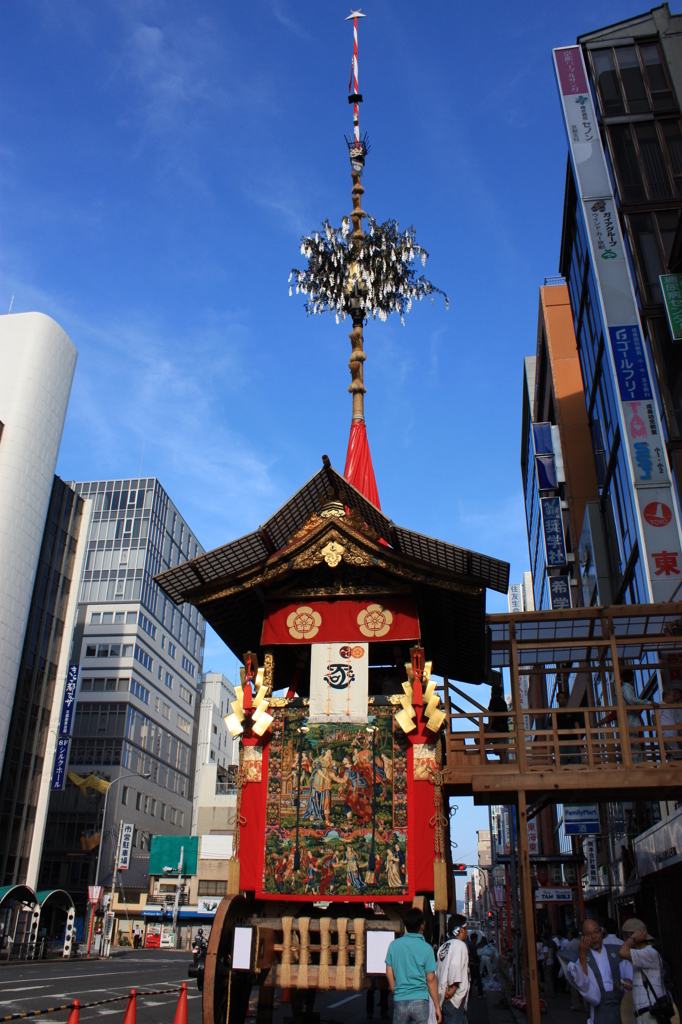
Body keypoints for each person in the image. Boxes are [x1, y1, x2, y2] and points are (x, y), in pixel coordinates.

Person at [385, 907, 442, 1024]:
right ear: (422, 925)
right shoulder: (427, 948)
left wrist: (394, 990)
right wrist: (437, 1006)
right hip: (420, 1001)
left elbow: (389, 972)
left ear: (406, 925)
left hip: (399, 1000)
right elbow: (431, 979)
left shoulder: (393, 945)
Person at [564, 919, 626, 1024]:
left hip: (620, 1005)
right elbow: (584, 983)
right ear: (582, 937)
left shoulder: (617, 951)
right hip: (599, 1007)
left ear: (602, 932)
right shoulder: (582, 957)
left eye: (596, 932)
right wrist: (583, 955)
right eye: (588, 934)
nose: (593, 937)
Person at [618, 920, 670, 1024]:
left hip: (650, 1013)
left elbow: (622, 952)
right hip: (644, 1013)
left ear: (628, 934)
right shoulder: (644, 954)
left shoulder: (649, 953)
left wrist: (632, 939)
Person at [436, 915, 470, 1024]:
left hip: (443, 996)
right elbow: (455, 965)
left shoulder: (443, 946)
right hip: (454, 998)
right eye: (465, 928)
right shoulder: (460, 945)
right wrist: (453, 986)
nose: (467, 931)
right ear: (459, 930)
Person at [619, 670, 652, 763]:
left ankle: (638, 765)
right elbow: (631, 700)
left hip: (632, 722)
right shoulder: (626, 688)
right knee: (633, 747)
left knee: (636, 746)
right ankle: (635, 766)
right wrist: (647, 702)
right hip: (631, 722)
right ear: (633, 678)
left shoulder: (626, 688)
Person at [556, 691, 585, 765]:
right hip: (560, 742)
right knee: (561, 764)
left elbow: (577, 725)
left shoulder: (572, 712)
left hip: (573, 740)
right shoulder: (554, 714)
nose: (562, 700)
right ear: (557, 700)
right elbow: (552, 729)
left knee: (576, 763)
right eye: (560, 698)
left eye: (564, 698)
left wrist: (579, 740)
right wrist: (552, 743)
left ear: (566, 699)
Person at [486, 682, 509, 763]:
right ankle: (505, 767)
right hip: (504, 730)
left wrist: (488, 727)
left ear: (492, 692)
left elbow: (491, 715)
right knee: (501, 751)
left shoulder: (493, 700)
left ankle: (485, 762)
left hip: (495, 730)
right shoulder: (503, 702)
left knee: (478, 740)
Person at [660, 688, 682, 760]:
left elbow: (677, 721)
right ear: (667, 697)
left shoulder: (672, 707)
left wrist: (678, 737)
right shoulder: (661, 705)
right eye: (672, 696)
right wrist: (658, 731)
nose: (673, 697)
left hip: (674, 735)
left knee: (672, 755)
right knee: (678, 755)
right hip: (667, 734)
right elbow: (654, 717)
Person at [466, 931, 483, 998]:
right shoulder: (473, 945)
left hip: (470, 964)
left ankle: (469, 993)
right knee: (478, 980)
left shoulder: (468, 944)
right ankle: (480, 994)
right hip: (474, 964)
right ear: (474, 939)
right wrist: (479, 959)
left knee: (471, 980)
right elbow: (475, 955)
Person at [542, 929, 556, 997]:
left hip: (547, 961)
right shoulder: (553, 943)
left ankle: (550, 992)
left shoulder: (545, 945)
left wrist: (544, 963)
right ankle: (551, 991)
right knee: (551, 976)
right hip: (552, 960)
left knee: (548, 977)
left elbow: (546, 954)